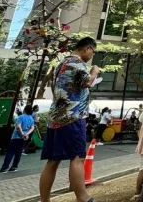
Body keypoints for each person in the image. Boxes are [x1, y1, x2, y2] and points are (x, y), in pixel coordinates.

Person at [39, 36, 101, 202]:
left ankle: (44, 199)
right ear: (87, 48)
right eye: (92, 52)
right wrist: (94, 71)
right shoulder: (78, 63)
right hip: (73, 117)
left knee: (52, 161)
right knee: (77, 157)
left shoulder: (61, 64)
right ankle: (82, 197)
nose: (91, 55)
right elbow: (87, 82)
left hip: (56, 117)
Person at [0, 105, 35, 173]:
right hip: (24, 138)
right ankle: (14, 167)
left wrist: (22, 134)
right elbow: (32, 128)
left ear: (24, 110)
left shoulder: (21, 117)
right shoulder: (31, 118)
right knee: (18, 153)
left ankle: (4, 168)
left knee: (10, 152)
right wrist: (26, 134)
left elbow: (18, 127)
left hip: (16, 137)